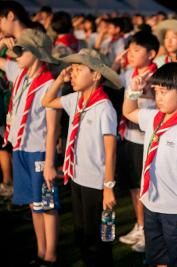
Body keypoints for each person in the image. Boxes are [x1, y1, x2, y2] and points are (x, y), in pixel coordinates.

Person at [42, 48, 120, 266]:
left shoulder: (104, 108)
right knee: (81, 233)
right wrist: (60, 79)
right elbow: (47, 101)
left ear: (95, 76)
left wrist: (108, 186)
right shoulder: (76, 99)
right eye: (72, 69)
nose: (73, 74)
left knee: (98, 238)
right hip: (76, 177)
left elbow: (110, 151)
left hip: (96, 183)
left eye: (78, 69)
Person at [122, 62, 177, 267]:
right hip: (152, 204)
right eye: (156, 91)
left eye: (164, 92)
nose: (158, 97)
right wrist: (133, 91)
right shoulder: (153, 117)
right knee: (158, 258)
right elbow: (128, 111)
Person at [0, 29, 59, 266]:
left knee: (47, 205)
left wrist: (50, 163)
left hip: (38, 150)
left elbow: (53, 129)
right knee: (34, 204)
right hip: (20, 148)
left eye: (20, 51)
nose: (14, 55)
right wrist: (2, 43)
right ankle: (41, 252)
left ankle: (52, 256)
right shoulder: (21, 74)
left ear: (35, 53)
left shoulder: (49, 84)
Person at [117, 30, 160, 253]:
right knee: (134, 186)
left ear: (151, 54)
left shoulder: (157, 77)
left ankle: (149, 232)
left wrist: (148, 90)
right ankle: (140, 224)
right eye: (130, 49)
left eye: (136, 50)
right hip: (129, 136)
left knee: (146, 187)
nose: (130, 54)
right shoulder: (127, 73)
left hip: (146, 140)